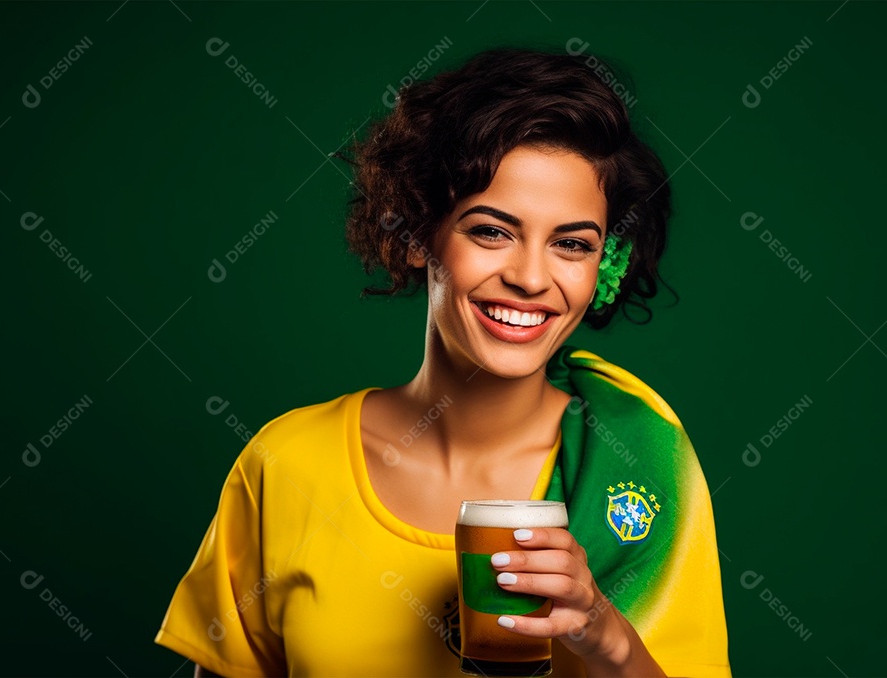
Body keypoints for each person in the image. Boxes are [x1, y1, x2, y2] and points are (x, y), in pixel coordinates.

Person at [154, 46, 731, 677]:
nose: (531, 277)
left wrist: (603, 632)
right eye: (491, 231)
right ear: (415, 235)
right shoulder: (285, 465)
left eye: (571, 244)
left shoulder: (644, 463)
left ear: (603, 267)